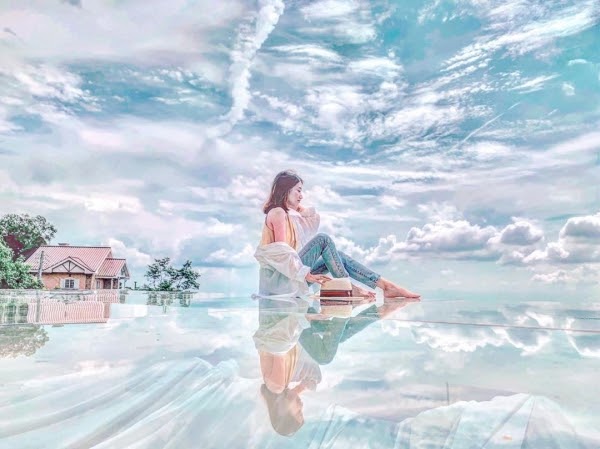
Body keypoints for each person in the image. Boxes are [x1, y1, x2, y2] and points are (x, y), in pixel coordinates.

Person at [254, 170, 420, 299]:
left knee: (336, 255)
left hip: (291, 278)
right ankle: (351, 288)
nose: (301, 196)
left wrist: (295, 205)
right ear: (286, 190)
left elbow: (312, 217)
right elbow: (281, 255)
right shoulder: (278, 213)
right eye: (298, 190)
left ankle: (386, 286)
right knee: (323, 239)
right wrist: (306, 274)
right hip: (280, 284)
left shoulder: (287, 214)